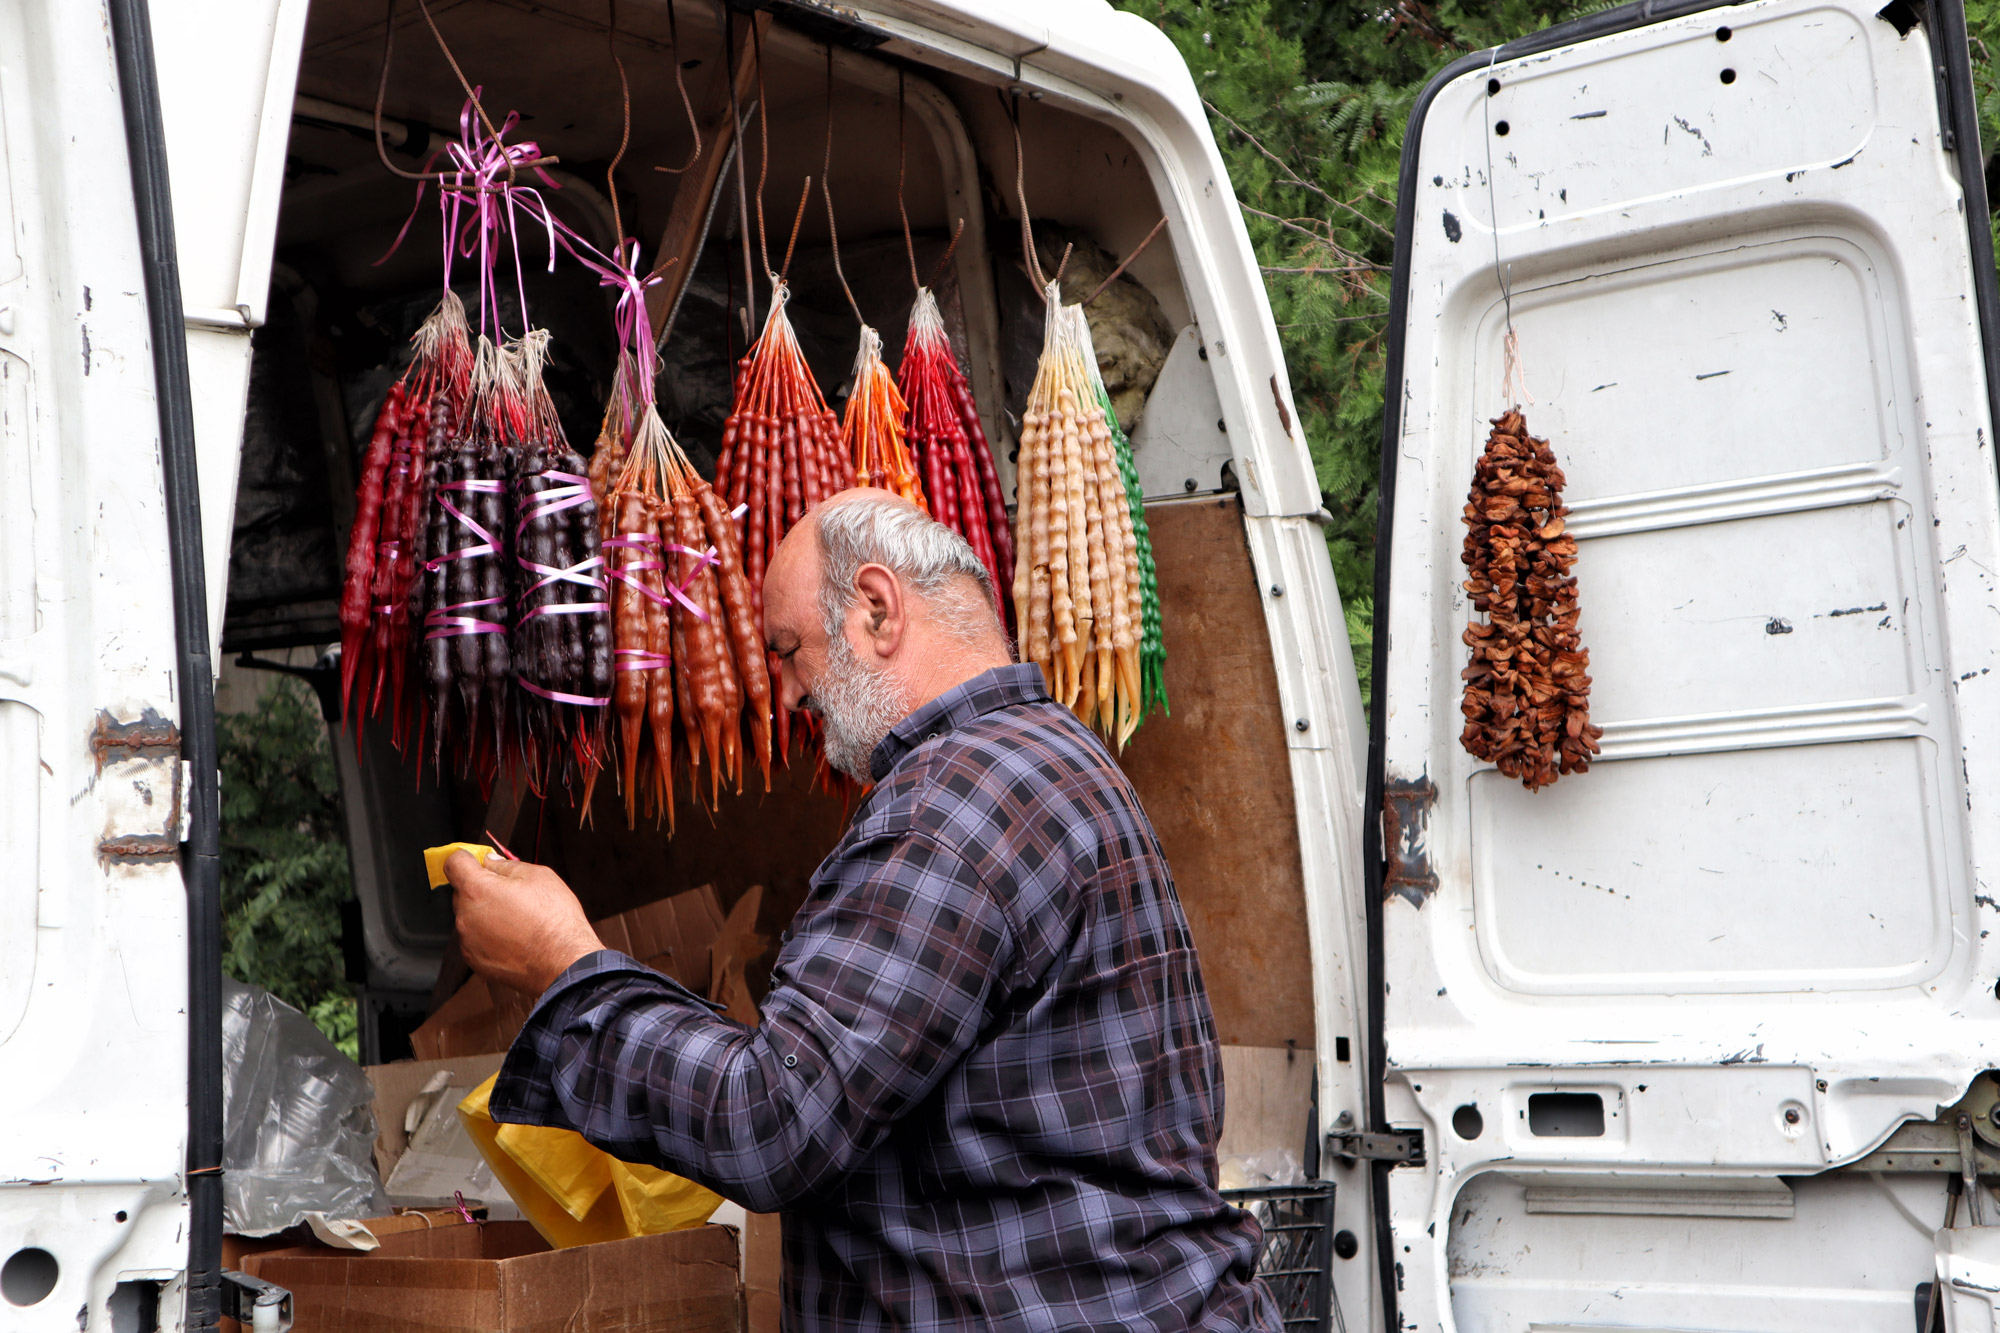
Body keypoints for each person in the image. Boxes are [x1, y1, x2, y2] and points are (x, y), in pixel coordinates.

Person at [445, 488, 1279, 1331]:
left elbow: (771, 1117)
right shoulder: (1054, 753)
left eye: (788, 649)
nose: (785, 693)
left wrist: (566, 969)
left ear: (877, 609)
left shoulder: (951, 805)